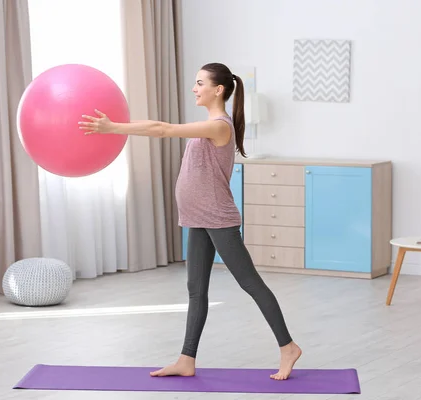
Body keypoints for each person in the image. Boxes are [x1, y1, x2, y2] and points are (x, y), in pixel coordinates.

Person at [79, 62, 302, 380]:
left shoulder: (220, 126)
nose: (195, 88)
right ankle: (186, 359)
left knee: (250, 283)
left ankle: (288, 347)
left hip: (217, 218)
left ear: (218, 89)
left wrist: (113, 127)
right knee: (196, 290)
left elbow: (162, 129)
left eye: (200, 83)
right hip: (196, 217)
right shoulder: (210, 124)